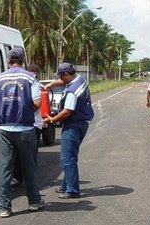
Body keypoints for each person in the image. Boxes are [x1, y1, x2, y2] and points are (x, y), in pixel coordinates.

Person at [0, 48, 45, 218]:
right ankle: (34, 202)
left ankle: (4, 207)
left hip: (4, 130)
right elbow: (37, 102)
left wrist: (2, 106)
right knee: (29, 167)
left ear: (8, 61)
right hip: (25, 129)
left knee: (4, 169)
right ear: (23, 60)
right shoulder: (29, 77)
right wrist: (24, 110)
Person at [44, 62, 94, 199]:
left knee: (67, 159)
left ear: (67, 74)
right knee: (71, 156)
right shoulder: (80, 79)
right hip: (81, 123)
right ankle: (66, 185)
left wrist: (52, 120)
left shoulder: (73, 90)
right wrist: (51, 85)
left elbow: (67, 111)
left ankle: (72, 190)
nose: (61, 79)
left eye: (61, 76)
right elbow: (62, 81)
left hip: (73, 125)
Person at [11, 64, 43, 186]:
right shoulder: (22, 86)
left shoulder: (38, 87)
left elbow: (37, 106)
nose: (34, 76)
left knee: (31, 156)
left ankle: (31, 180)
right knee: (18, 155)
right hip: (22, 124)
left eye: (35, 74)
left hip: (34, 125)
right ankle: (18, 177)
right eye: (31, 73)